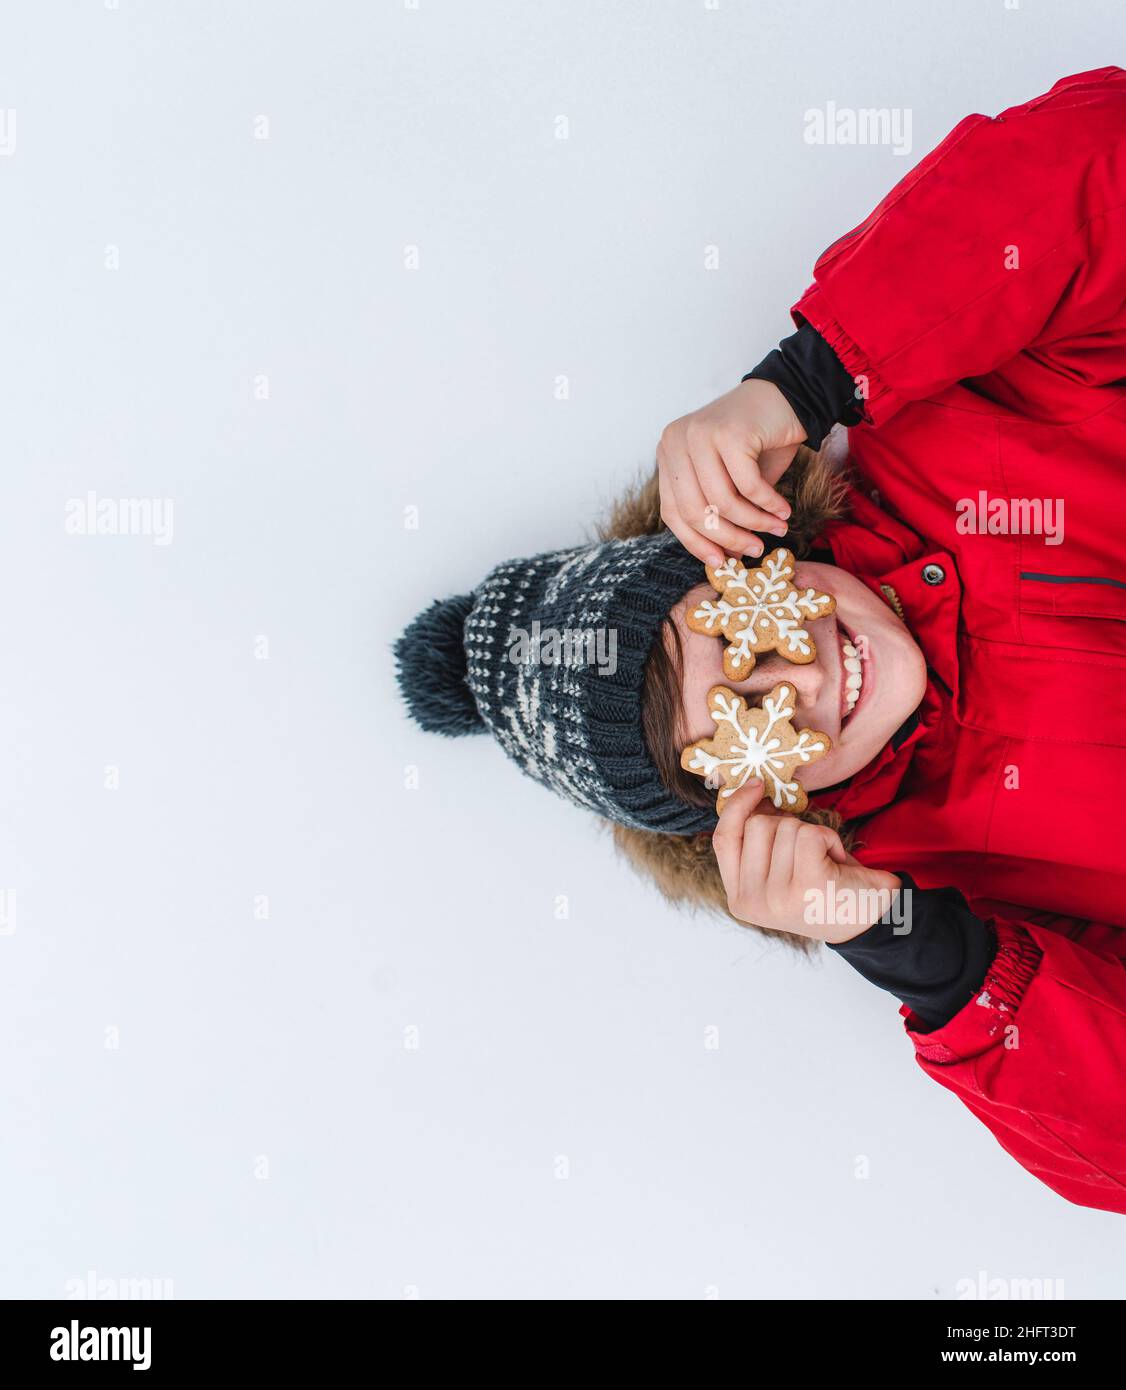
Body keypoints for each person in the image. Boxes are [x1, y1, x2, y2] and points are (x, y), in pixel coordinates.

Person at [395, 67, 1126, 1215]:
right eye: (741, 724)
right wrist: (931, 962)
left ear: (747, 549)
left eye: (732, 631)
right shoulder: (952, 902)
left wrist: (809, 374)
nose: (793, 677)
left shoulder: (954, 414)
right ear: (753, 806)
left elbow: (1100, 162)